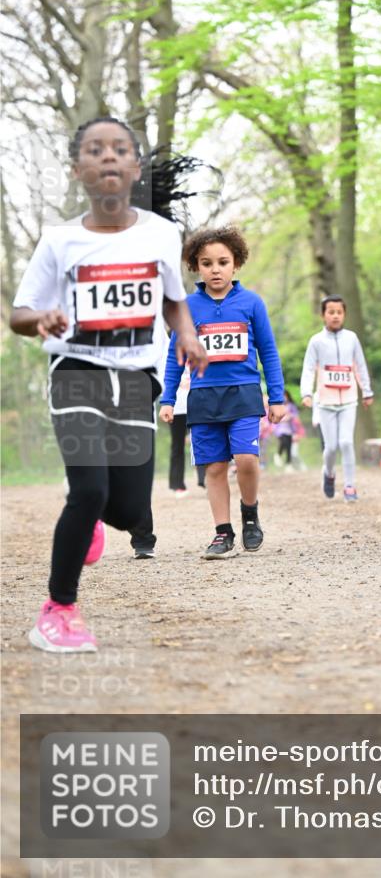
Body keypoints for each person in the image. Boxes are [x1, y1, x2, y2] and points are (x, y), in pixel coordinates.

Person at [10, 116, 208, 651]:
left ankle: (98, 516)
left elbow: (173, 299)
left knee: (128, 509)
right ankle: (58, 610)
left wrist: (186, 337)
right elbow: (19, 313)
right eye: (95, 150)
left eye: (119, 149)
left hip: (137, 375)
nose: (108, 157)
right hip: (75, 370)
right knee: (89, 488)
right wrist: (42, 319)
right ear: (78, 170)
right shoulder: (60, 240)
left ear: (135, 168)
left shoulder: (161, 234)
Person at [160, 227, 286, 558]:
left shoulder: (251, 303)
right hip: (202, 396)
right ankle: (222, 532)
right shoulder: (187, 307)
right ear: (195, 267)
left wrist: (276, 397)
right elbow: (176, 357)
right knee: (214, 468)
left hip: (243, 393)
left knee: (246, 458)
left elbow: (269, 352)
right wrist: (168, 398)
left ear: (236, 264)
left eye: (223, 262)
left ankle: (249, 514)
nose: (215, 269)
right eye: (206, 263)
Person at [300, 295, 373, 502]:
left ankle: (350, 486)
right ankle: (329, 473)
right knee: (331, 447)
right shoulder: (316, 341)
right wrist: (306, 393)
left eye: (339, 312)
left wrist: (367, 392)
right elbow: (308, 369)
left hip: (349, 400)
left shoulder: (352, 338)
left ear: (344, 315)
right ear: (323, 315)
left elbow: (359, 365)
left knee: (346, 442)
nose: (335, 316)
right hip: (325, 402)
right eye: (330, 312)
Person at [165, 367, 206, 496]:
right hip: (176, 409)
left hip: (196, 406)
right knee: (177, 446)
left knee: (201, 442)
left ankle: (204, 479)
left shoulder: (197, 355)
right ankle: (177, 484)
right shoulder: (170, 359)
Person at [273, 390, 300, 471]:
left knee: (289, 447)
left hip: (290, 429)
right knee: (283, 442)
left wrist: (290, 416)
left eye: (285, 396)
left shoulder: (291, 406)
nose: (284, 398)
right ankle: (278, 454)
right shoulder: (278, 406)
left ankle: (288, 464)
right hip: (280, 429)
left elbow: (295, 415)